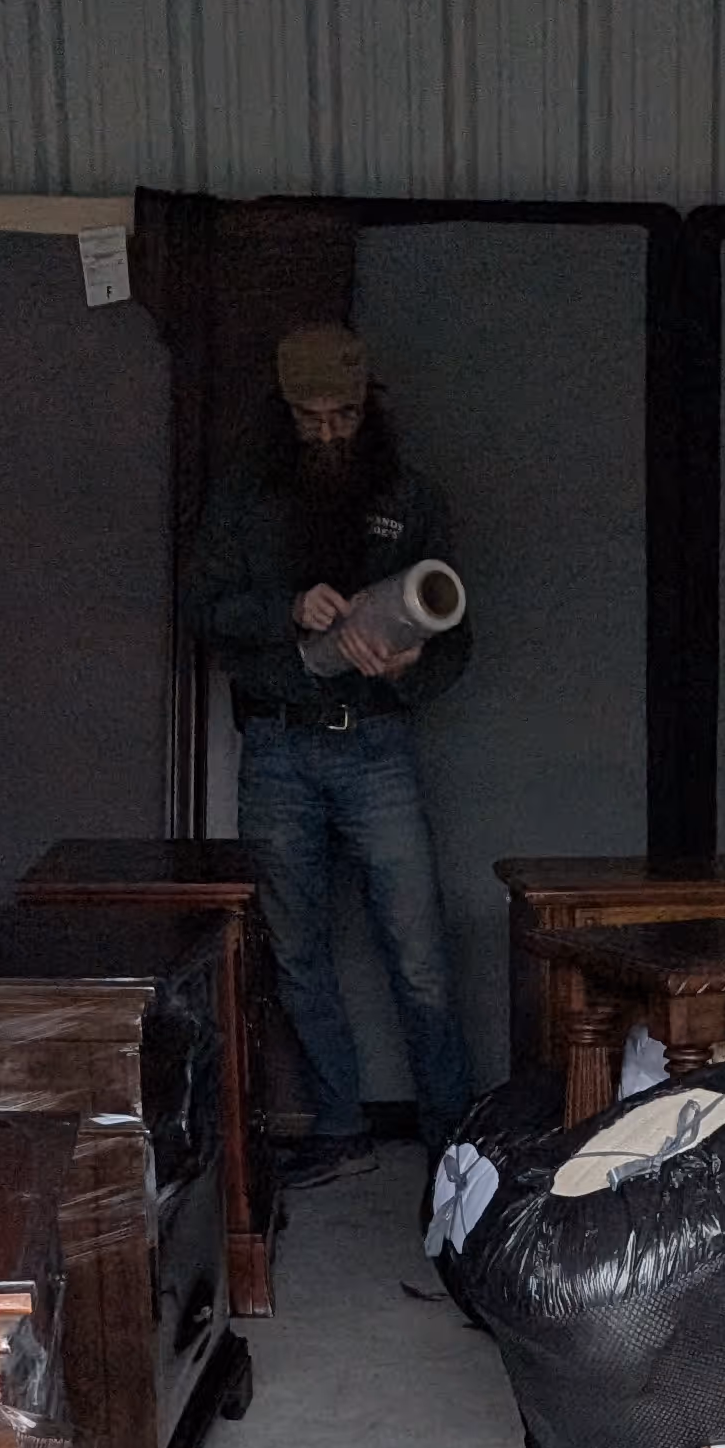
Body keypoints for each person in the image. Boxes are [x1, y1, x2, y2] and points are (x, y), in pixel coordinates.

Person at [182, 322, 474, 1184]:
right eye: (311, 418)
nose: (329, 433)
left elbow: (459, 639)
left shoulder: (408, 497)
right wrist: (286, 608)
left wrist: (416, 659)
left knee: (418, 954)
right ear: (284, 412)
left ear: (367, 405)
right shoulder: (241, 499)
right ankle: (338, 1125)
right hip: (278, 746)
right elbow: (202, 608)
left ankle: (453, 1139)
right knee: (296, 949)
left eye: (344, 414)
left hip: (378, 745)